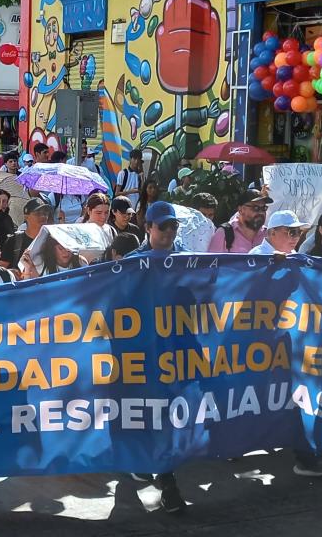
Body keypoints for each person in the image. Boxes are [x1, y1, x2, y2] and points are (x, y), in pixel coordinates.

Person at [124, 201, 186, 512]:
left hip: (177, 354)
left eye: (174, 226)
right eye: (163, 226)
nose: (169, 232)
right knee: (149, 415)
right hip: (143, 356)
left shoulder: (187, 260)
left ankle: (165, 477)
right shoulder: (132, 264)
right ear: (148, 228)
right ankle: (163, 478)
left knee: (167, 417)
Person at [208, 189, 271, 253]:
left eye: (264, 208)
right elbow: (212, 261)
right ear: (240, 210)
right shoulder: (224, 233)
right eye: (255, 208)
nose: (261, 212)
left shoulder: (269, 235)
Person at [0, 197, 51, 270]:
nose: (43, 216)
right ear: (26, 217)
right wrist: (11, 273)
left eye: (45, 213)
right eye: (38, 213)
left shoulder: (52, 238)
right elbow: (1, 269)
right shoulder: (14, 241)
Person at [19, 233, 88, 278]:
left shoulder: (81, 261)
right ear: (52, 249)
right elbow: (32, 288)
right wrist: (28, 268)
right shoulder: (40, 263)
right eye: (61, 248)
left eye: (69, 249)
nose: (66, 252)